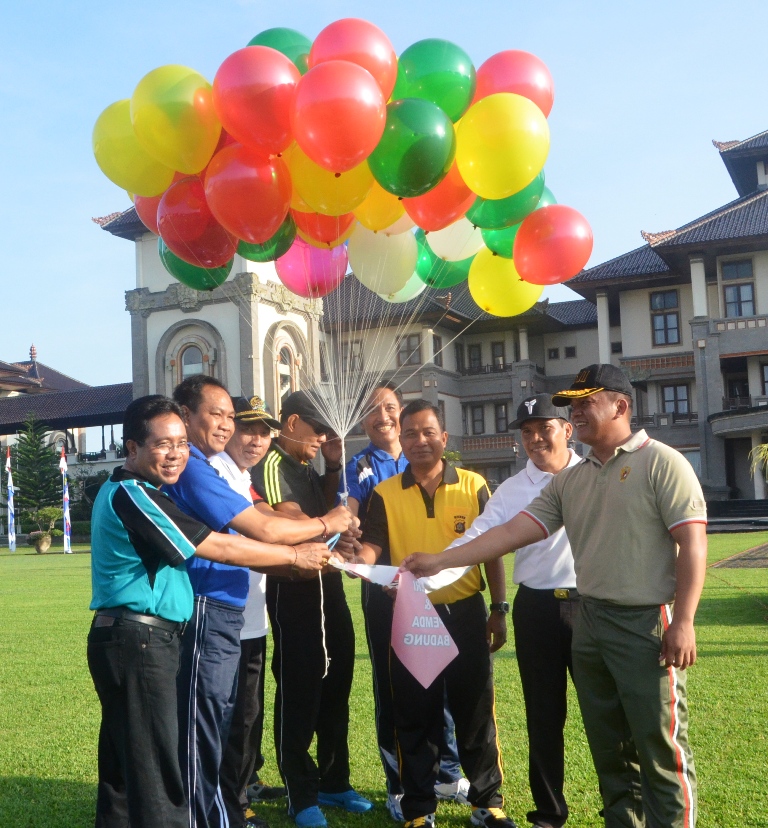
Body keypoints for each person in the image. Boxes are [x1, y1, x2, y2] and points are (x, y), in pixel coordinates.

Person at [403, 365, 708, 828]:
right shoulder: (573, 480)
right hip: (591, 624)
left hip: (646, 623)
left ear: (620, 407)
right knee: (610, 747)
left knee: (658, 746)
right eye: (574, 405)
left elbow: (693, 542)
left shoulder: (662, 461)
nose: (577, 413)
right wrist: (440, 561)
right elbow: (510, 532)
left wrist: (683, 620)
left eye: (586, 403)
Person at [87, 395, 326, 828]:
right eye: (162, 444)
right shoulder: (134, 495)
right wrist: (294, 557)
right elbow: (217, 545)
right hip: (138, 640)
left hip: (131, 638)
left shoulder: (142, 491)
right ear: (132, 449)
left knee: (125, 772)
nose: (176, 453)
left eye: (181, 443)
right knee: (158, 769)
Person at [163, 376, 353, 828]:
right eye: (221, 416)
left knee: (236, 716)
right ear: (186, 417)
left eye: (237, 419)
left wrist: (307, 548)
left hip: (235, 612)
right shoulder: (192, 466)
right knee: (211, 721)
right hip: (207, 608)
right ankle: (213, 811)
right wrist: (323, 527)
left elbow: (262, 524)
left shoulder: (218, 469)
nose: (233, 429)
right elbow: (261, 531)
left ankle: (229, 803)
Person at [354, 399, 516, 828]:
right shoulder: (384, 494)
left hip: (466, 612)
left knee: (475, 710)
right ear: (401, 441)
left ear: (444, 438)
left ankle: (487, 802)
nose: (420, 440)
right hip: (411, 614)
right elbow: (373, 545)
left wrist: (498, 610)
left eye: (428, 432)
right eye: (410, 433)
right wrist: (359, 558)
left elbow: (494, 553)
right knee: (414, 711)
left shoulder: (473, 485)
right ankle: (418, 808)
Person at [446, 394, 581, 828]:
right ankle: (548, 814)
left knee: (606, 712)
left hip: (590, 605)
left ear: (567, 429)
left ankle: (620, 807)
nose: (536, 438)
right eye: (527, 431)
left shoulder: (594, 474)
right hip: (536, 608)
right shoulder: (511, 489)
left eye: (545, 427)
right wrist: (430, 565)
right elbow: (482, 536)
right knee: (543, 715)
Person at [339, 383, 469, 820]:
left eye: (390, 408)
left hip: (434, 586)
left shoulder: (426, 453)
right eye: (373, 411)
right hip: (384, 590)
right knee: (397, 689)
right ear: (363, 421)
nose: (383, 417)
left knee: (444, 681)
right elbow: (351, 514)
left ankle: (447, 773)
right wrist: (350, 532)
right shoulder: (357, 465)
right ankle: (400, 784)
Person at [251, 390, 371, 828]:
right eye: (318, 430)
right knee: (301, 691)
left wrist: (336, 466)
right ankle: (301, 795)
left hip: (329, 584)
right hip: (293, 592)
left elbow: (329, 520)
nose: (322, 437)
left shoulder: (309, 465)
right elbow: (290, 526)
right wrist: (333, 526)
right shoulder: (272, 464)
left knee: (337, 685)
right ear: (293, 422)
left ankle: (334, 781)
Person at [210, 396, 287, 828]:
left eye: (264, 432)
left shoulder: (242, 476)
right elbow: (264, 529)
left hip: (250, 618)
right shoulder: (217, 472)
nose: (257, 440)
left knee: (248, 712)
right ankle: (230, 804)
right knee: (231, 716)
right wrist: (320, 530)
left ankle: (242, 786)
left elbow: (268, 516)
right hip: (225, 617)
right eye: (248, 429)